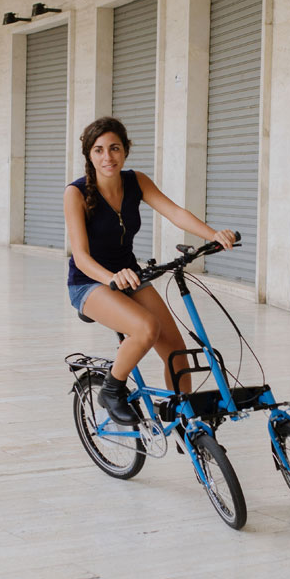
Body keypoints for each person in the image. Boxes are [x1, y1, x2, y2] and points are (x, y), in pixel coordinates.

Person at [64, 116, 235, 424]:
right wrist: (111, 277)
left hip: (131, 276)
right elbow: (80, 256)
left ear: (126, 150)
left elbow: (175, 212)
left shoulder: (136, 181)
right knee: (146, 328)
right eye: (99, 150)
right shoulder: (75, 194)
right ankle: (111, 390)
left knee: (176, 353)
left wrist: (213, 235)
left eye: (114, 148)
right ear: (89, 155)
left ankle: (185, 423)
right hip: (89, 282)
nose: (108, 157)